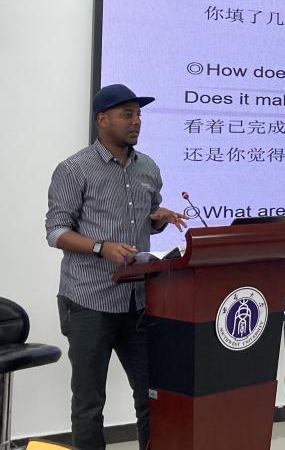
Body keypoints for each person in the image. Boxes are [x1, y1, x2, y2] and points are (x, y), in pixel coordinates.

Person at [45, 84, 187, 450]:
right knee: (89, 404)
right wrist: (100, 247)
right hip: (89, 302)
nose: (136, 121)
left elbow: (145, 217)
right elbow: (56, 231)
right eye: (127, 114)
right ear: (102, 119)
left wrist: (157, 219)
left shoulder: (148, 168)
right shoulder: (74, 169)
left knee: (153, 396)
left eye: (139, 115)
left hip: (138, 302)